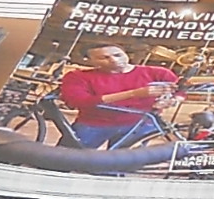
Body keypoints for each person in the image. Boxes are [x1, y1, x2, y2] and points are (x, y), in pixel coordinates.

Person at [53, 43, 183, 149]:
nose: (114, 60)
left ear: (126, 54)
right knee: (64, 159)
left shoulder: (158, 73)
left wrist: (172, 101)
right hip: (94, 124)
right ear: (90, 61)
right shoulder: (78, 76)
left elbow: (180, 91)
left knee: (121, 164)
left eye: (118, 55)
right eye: (103, 58)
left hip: (140, 124)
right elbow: (78, 101)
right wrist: (133, 93)